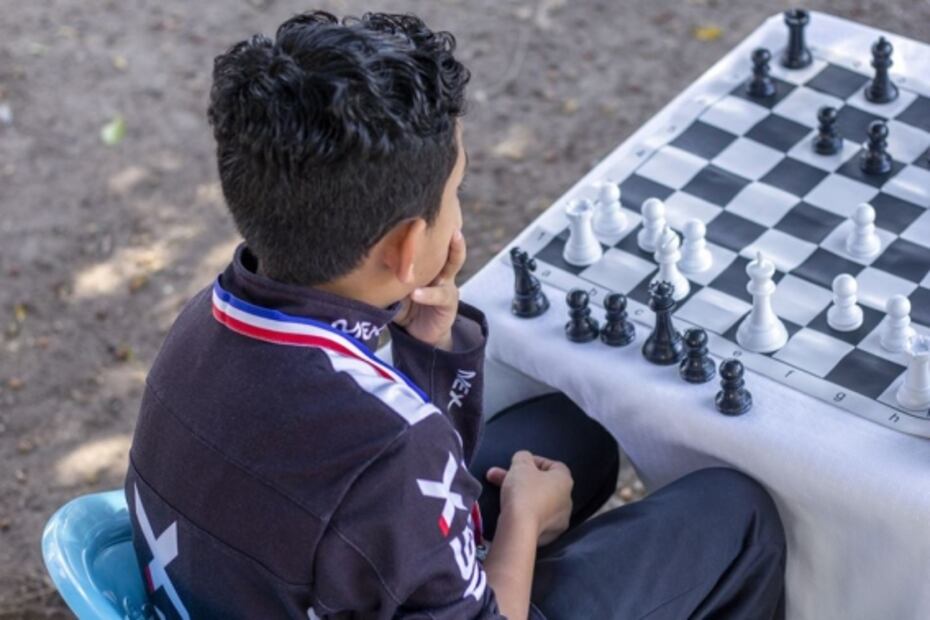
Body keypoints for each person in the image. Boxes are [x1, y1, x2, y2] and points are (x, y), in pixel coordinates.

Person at [124, 11, 787, 620]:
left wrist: (430, 345)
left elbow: (363, 469)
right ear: (408, 247)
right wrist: (521, 522)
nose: (459, 211)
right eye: (455, 190)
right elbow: (386, 463)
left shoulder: (203, 320)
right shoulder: (394, 448)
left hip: (266, 579)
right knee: (738, 517)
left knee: (573, 434)